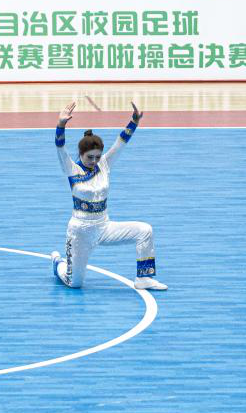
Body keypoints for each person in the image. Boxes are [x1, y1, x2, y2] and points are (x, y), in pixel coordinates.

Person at [49, 101, 167, 292]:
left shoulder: (103, 164)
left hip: (104, 227)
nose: (94, 161)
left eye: (97, 156)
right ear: (81, 154)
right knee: (75, 283)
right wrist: (60, 125)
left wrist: (134, 122)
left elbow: (120, 143)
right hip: (79, 233)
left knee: (144, 230)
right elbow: (60, 147)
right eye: (90, 157)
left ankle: (144, 278)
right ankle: (58, 263)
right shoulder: (71, 169)